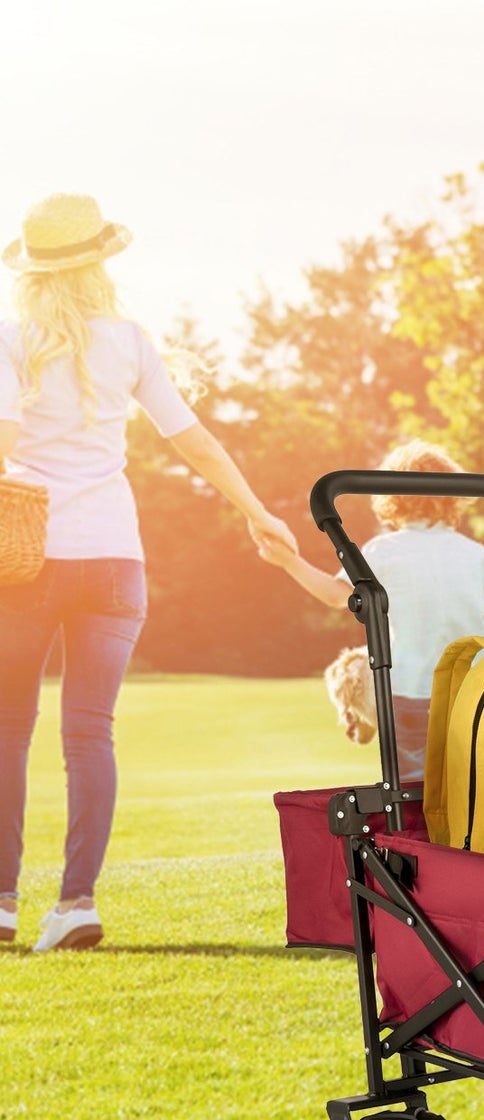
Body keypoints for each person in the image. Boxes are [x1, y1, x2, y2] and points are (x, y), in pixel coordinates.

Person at [0, 193, 297, 953]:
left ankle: (2, 905)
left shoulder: (12, 335)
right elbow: (193, 441)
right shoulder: (128, 340)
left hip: (26, 562)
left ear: (33, 270)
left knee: (8, 731)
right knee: (89, 733)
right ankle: (74, 904)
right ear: (99, 261)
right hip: (114, 560)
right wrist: (258, 512)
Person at [259, 439, 484, 780]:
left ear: (391, 498)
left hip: (407, 695)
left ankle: (412, 824)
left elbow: (335, 595)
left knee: (414, 792)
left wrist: (290, 561)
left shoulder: (382, 551)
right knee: (474, 784)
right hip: (473, 694)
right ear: (453, 496)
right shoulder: (473, 553)